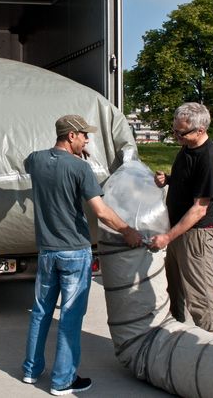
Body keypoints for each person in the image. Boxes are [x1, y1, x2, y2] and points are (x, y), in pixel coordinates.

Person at [21, 114, 143, 396]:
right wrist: (127, 231)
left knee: (40, 312)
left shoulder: (36, 160)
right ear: (71, 136)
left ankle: (31, 370)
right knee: (70, 317)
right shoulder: (79, 168)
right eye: (84, 135)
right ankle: (62, 381)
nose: (88, 140)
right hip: (74, 253)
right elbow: (100, 211)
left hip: (47, 252)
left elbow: (34, 165)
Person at [149, 102, 213, 332]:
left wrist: (167, 237)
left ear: (200, 130)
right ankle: (177, 334)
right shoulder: (188, 148)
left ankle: (211, 344)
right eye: (174, 130)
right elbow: (188, 180)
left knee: (200, 295)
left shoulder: (209, 159)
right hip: (180, 230)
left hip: (197, 234)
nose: (176, 136)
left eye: (181, 132)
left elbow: (199, 208)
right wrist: (169, 179)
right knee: (174, 289)